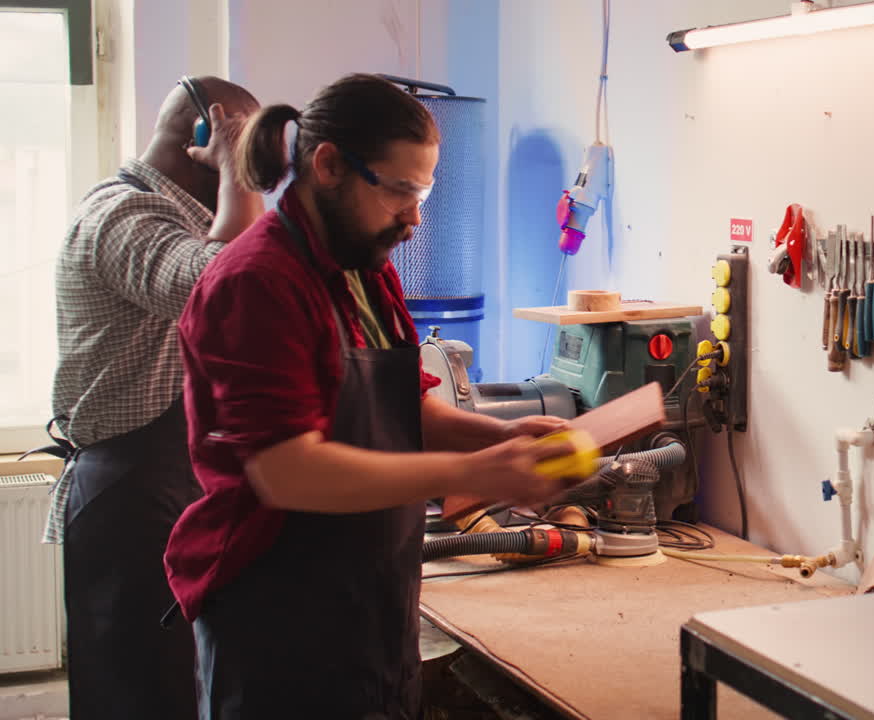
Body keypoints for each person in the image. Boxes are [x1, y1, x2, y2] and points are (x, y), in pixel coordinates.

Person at [164, 73, 575, 719]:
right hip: (276, 613)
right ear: (329, 166)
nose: (415, 218)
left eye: (424, 193)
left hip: (373, 597)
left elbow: (405, 410)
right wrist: (474, 472)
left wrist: (499, 437)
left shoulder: (367, 270)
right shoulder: (257, 282)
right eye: (401, 191)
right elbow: (286, 470)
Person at [46, 75, 263, 719]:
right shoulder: (125, 215)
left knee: (174, 686)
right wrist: (239, 175)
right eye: (249, 150)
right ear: (204, 137)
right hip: (129, 493)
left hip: (163, 484)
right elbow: (227, 291)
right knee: (136, 694)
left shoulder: (178, 221)